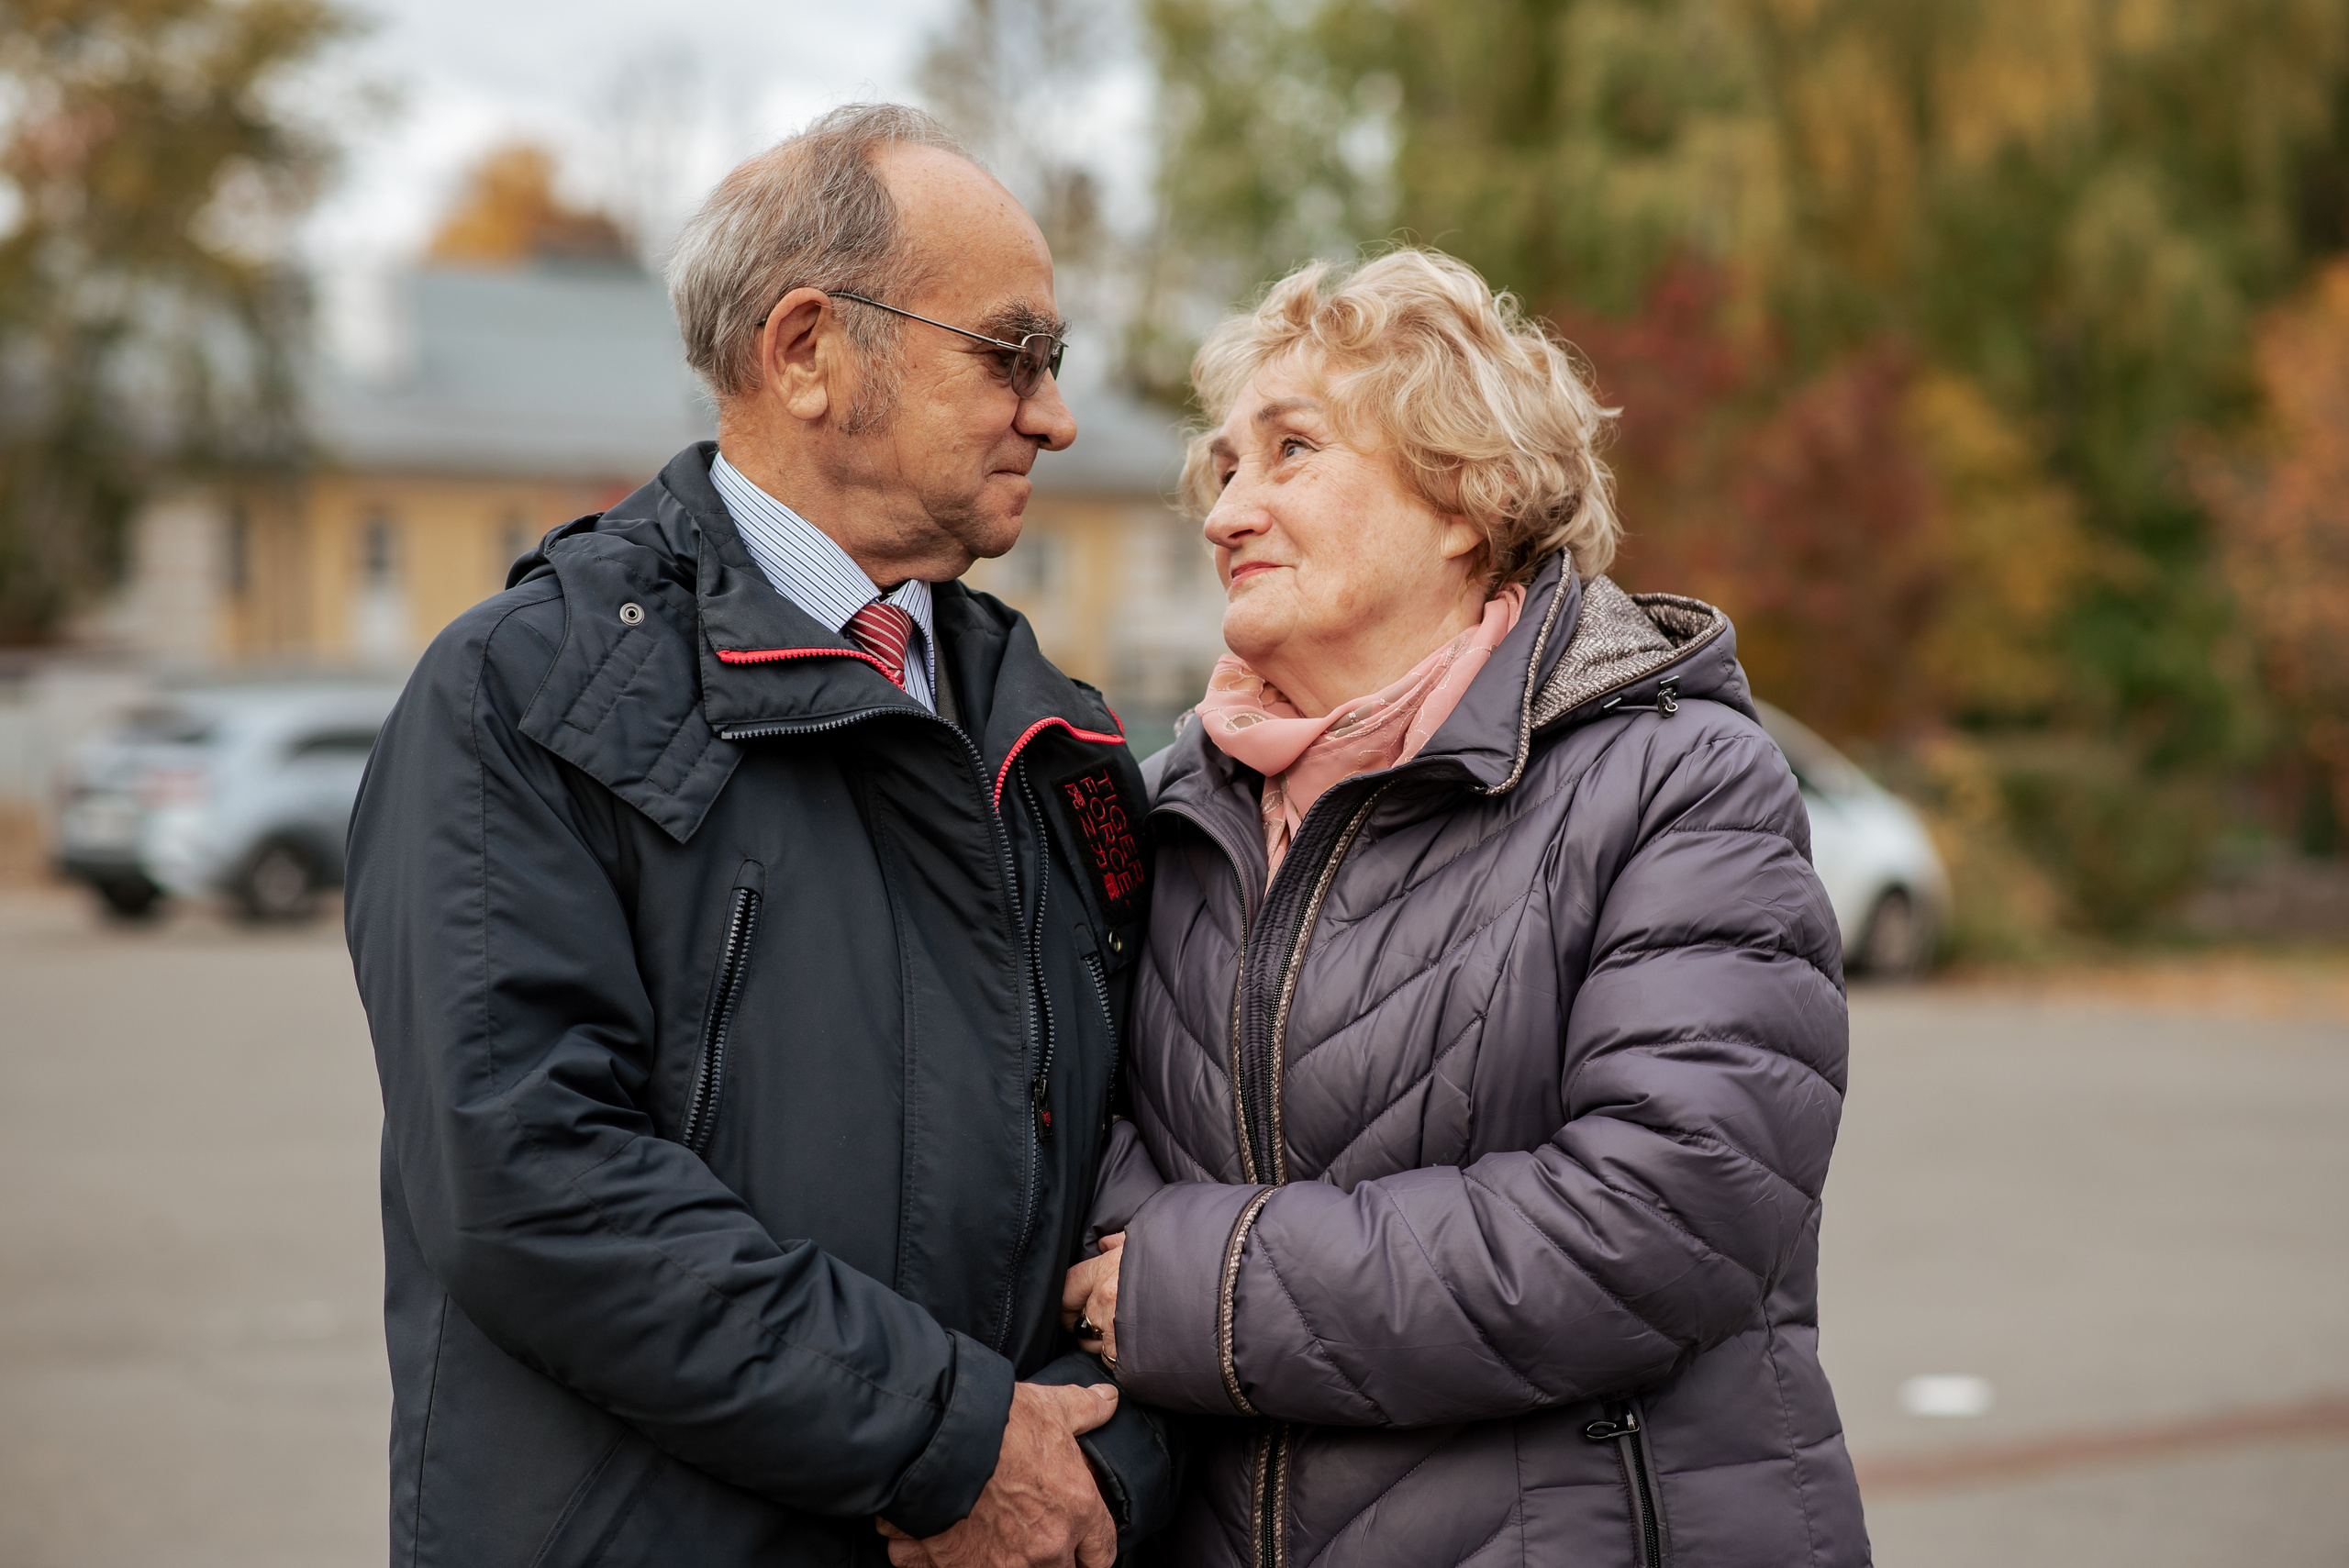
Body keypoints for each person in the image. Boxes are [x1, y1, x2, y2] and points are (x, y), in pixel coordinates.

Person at [346, 105, 1173, 1568]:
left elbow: (1154, 1172)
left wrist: (1107, 1463)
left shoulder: (1065, 744)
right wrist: (952, 1444)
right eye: (1012, 353)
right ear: (805, 352)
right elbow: (531, 1183)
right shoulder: (524, 694)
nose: (1055, 416)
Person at [1063, 249, 1871, 1567]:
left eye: (1291, 451)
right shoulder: (1165, 808)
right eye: (1226, 466)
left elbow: (1662, 1219)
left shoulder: (1676, 779)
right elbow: (1057, 1127)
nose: (1227, 513)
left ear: (1465, 497)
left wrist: (1200, 1291)